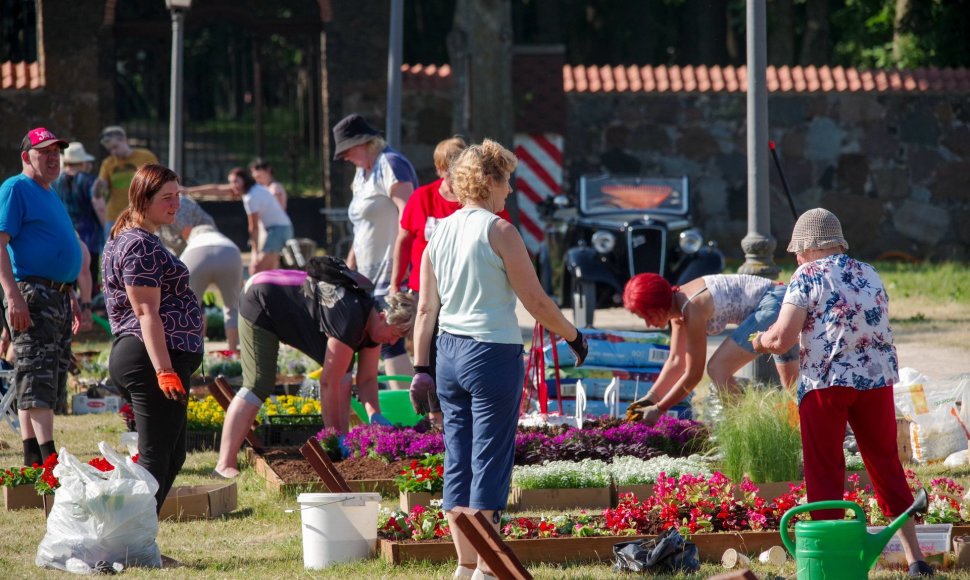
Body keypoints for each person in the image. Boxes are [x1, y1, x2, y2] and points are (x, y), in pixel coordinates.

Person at [410, 140, 588, 580]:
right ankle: (488, 571)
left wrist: (419, 369)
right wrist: (573, 335)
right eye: (507, 180)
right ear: (489, 181)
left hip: (447, 354)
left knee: (459, 456)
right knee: (490, 457)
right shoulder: (501, 230)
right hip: (491, 352)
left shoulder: (437, 234)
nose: (510, 190)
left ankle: (464, 564)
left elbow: (424, 310)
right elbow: (535, 300)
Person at [754, 208, 933, 577]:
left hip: (826, 383)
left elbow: (783, 337)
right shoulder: (870, 271)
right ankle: (916, 559)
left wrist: (759, 341)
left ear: (808, 247)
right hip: (876, 382)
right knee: (885, 464)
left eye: (797, 251)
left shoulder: (806, 274)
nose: (796, 258)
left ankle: (829, 560)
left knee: (825, 468)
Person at [213, 266, 416, 477]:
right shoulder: (350, 318)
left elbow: (366, 379)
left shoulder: (373, 327)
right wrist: (334, 436)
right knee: (259, 382)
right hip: (262, 296)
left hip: (288, 304)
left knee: (343, 371)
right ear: (382, 316)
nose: (392, 342)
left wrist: (375, 415)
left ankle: (340, 448)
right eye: (394, 334)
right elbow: (328, 383)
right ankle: (224, 464)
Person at [102, 164, 204, 513]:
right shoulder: (139, 245)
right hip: (150, 358)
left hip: (150, 356)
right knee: (156, 459)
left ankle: (139, 535)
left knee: (170, 455)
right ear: (143, 198)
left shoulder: (134, 236)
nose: (176, 204)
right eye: (167, 198)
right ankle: (131, 540)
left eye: (178, 196)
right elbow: (146, 312)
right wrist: (164, 370)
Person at [0, 127, 83, 466]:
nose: (52, 158)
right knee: (37, 378)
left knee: (45, 376)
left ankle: (34, 460)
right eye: (43, 152)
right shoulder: (16, 188)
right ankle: (49, 462)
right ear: (25, 157)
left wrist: (71, 292)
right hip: (32, 294)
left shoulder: (49, 192)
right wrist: (12, 296)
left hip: (57, 295)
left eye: (56, 152)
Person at [622, 273, 800, 425]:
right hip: (781, 301)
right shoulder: (679, 310)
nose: (648, 324)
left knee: (718, 368)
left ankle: (744, 429)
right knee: (794, 386)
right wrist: (650, 398)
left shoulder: (692, 308)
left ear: (659, 305)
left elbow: (694, 375)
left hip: (774, 304)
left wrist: (659, 409)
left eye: (648, 316)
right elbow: (676, 362)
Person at [333, 113, 418, 388]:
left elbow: (411, 217)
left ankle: (414, 417)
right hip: (370, 276)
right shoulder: (361, 174)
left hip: (395, 272)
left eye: (346, 151)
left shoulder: (390, 164)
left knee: (392, 342)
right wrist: (349, 270)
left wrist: (402, 275)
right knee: (385, 343)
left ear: (364, 143)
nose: (345, 158)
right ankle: (412, 415)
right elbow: (360, 230)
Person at [159, 196, 242, 351]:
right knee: (231, 307)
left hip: (195, 252)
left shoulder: (172, 211)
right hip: (229, 250)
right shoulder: (214, 230)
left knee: (190, 307)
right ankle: (233, 350)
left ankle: (190, 350)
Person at [51, 142, 106, 289]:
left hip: (65, 236)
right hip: (89, 237)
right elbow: (99, 206)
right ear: (82, 162)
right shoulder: (89, 181)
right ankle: (87, 308)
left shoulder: (55, 182)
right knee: (90, 279)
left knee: (67, 283)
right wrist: (106, 229)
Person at [94, 126, 159, 234]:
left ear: (124, 140)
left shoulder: (145, 156)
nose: (113, 152)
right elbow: (102, 188)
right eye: (110, 149)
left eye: (115, 147)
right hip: (115, 217)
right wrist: (99, 186)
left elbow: (158, 182)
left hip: (141, 216)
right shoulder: (108, 163)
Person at [229, 167, 293, 274]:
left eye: (236, 181)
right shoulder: (255, 188)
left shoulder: (251, 197)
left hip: (278, 231)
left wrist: (255, 252)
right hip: (281, 229)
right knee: (272, 272)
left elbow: (253, 227)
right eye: (230, 182)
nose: (232, 185)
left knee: (256, 270)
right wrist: (194, 190)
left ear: (244, 180)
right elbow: (218, 189)